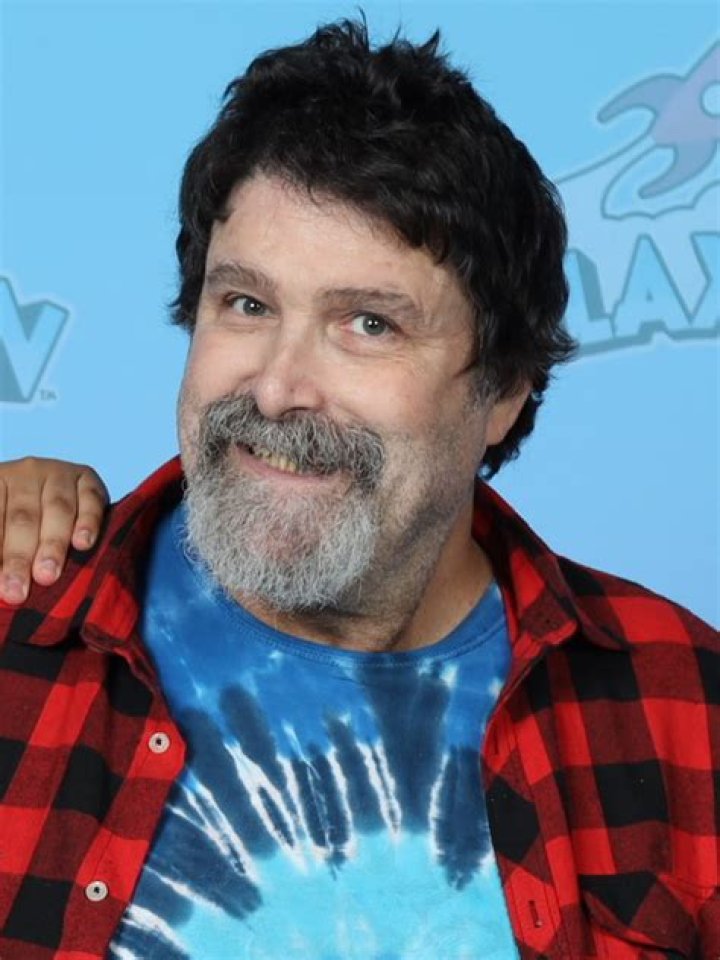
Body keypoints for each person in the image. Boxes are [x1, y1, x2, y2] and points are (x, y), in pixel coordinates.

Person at [0, 19, 717, 960]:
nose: (276, 388)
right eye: (246, 304)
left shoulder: (684, 706)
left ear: (504, 390)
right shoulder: (19, 629)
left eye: (369, 325)